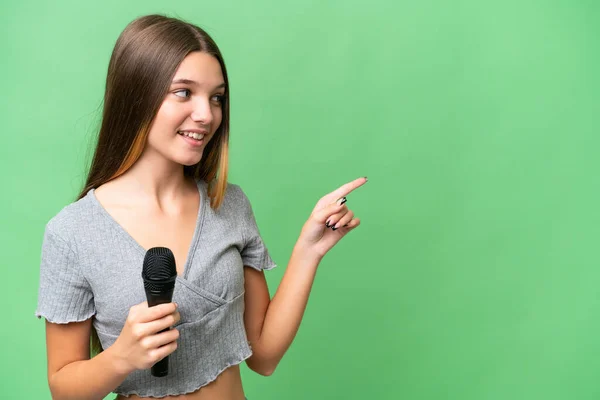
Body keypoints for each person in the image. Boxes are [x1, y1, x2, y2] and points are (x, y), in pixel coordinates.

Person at [35, 14, 367, 400]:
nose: (206, 115)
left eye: (216, 98)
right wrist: (120, 358)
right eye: (183, 92)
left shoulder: (228, 204)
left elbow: (264, 356)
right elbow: (63, 388)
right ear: (137, 93)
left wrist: (310, 250)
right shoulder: (73, 232)